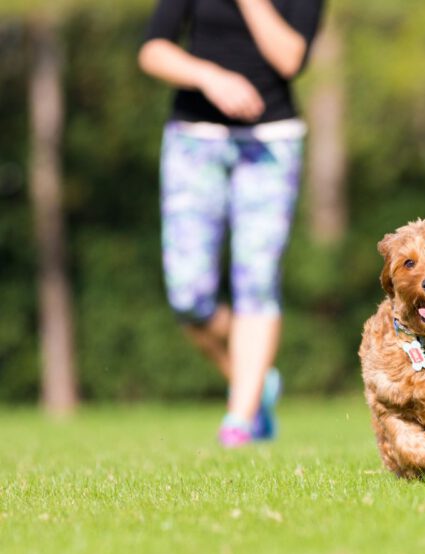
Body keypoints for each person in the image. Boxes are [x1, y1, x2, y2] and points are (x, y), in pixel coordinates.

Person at [138, 0, 324, 447]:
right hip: (193, 141)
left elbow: (290, 58)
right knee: (189, 296)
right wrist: (209, 76)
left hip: (271, 142)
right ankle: (255, 382)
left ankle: (239, 421)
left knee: (256, 283)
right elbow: (152, 50)